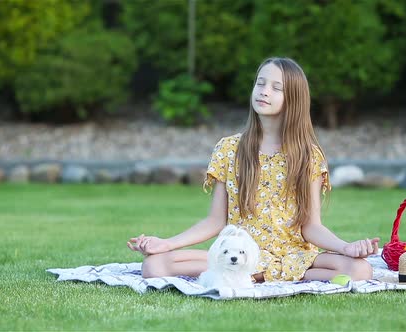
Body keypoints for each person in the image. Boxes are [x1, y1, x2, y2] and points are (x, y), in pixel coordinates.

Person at [127, 57, 379, 282]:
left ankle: (265, 275)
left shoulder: (308, 155)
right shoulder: (229, 149)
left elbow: (311, 227)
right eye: (260, 83)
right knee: (154, 265)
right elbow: (215, 221)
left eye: (276, 87)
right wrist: (166, 244)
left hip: (292, 255)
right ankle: (259, 273)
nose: (264, 91)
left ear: (294, 98)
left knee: (360, 270)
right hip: (240, 252)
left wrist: (345, 248)